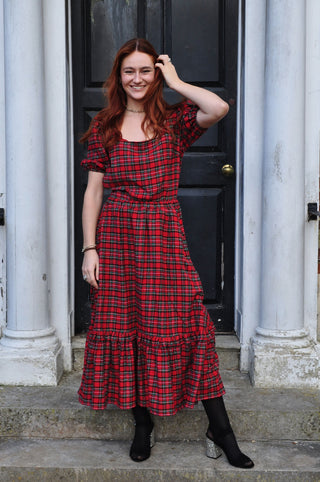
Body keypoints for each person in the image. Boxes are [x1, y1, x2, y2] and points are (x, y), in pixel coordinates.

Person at [78, 38, 254, 469]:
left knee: (192, 324)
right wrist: (89, 248)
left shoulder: (174, 122)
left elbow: (218, 109)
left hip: (163, 237)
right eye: (128, 71)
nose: (136, 79)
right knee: (126, 324)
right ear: (118, 77)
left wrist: (176, 79)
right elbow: (93, 191)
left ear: (155, 74)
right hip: (117, 238)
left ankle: (222, 429)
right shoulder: (104, 124)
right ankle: (142, 424)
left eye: (145, 70)